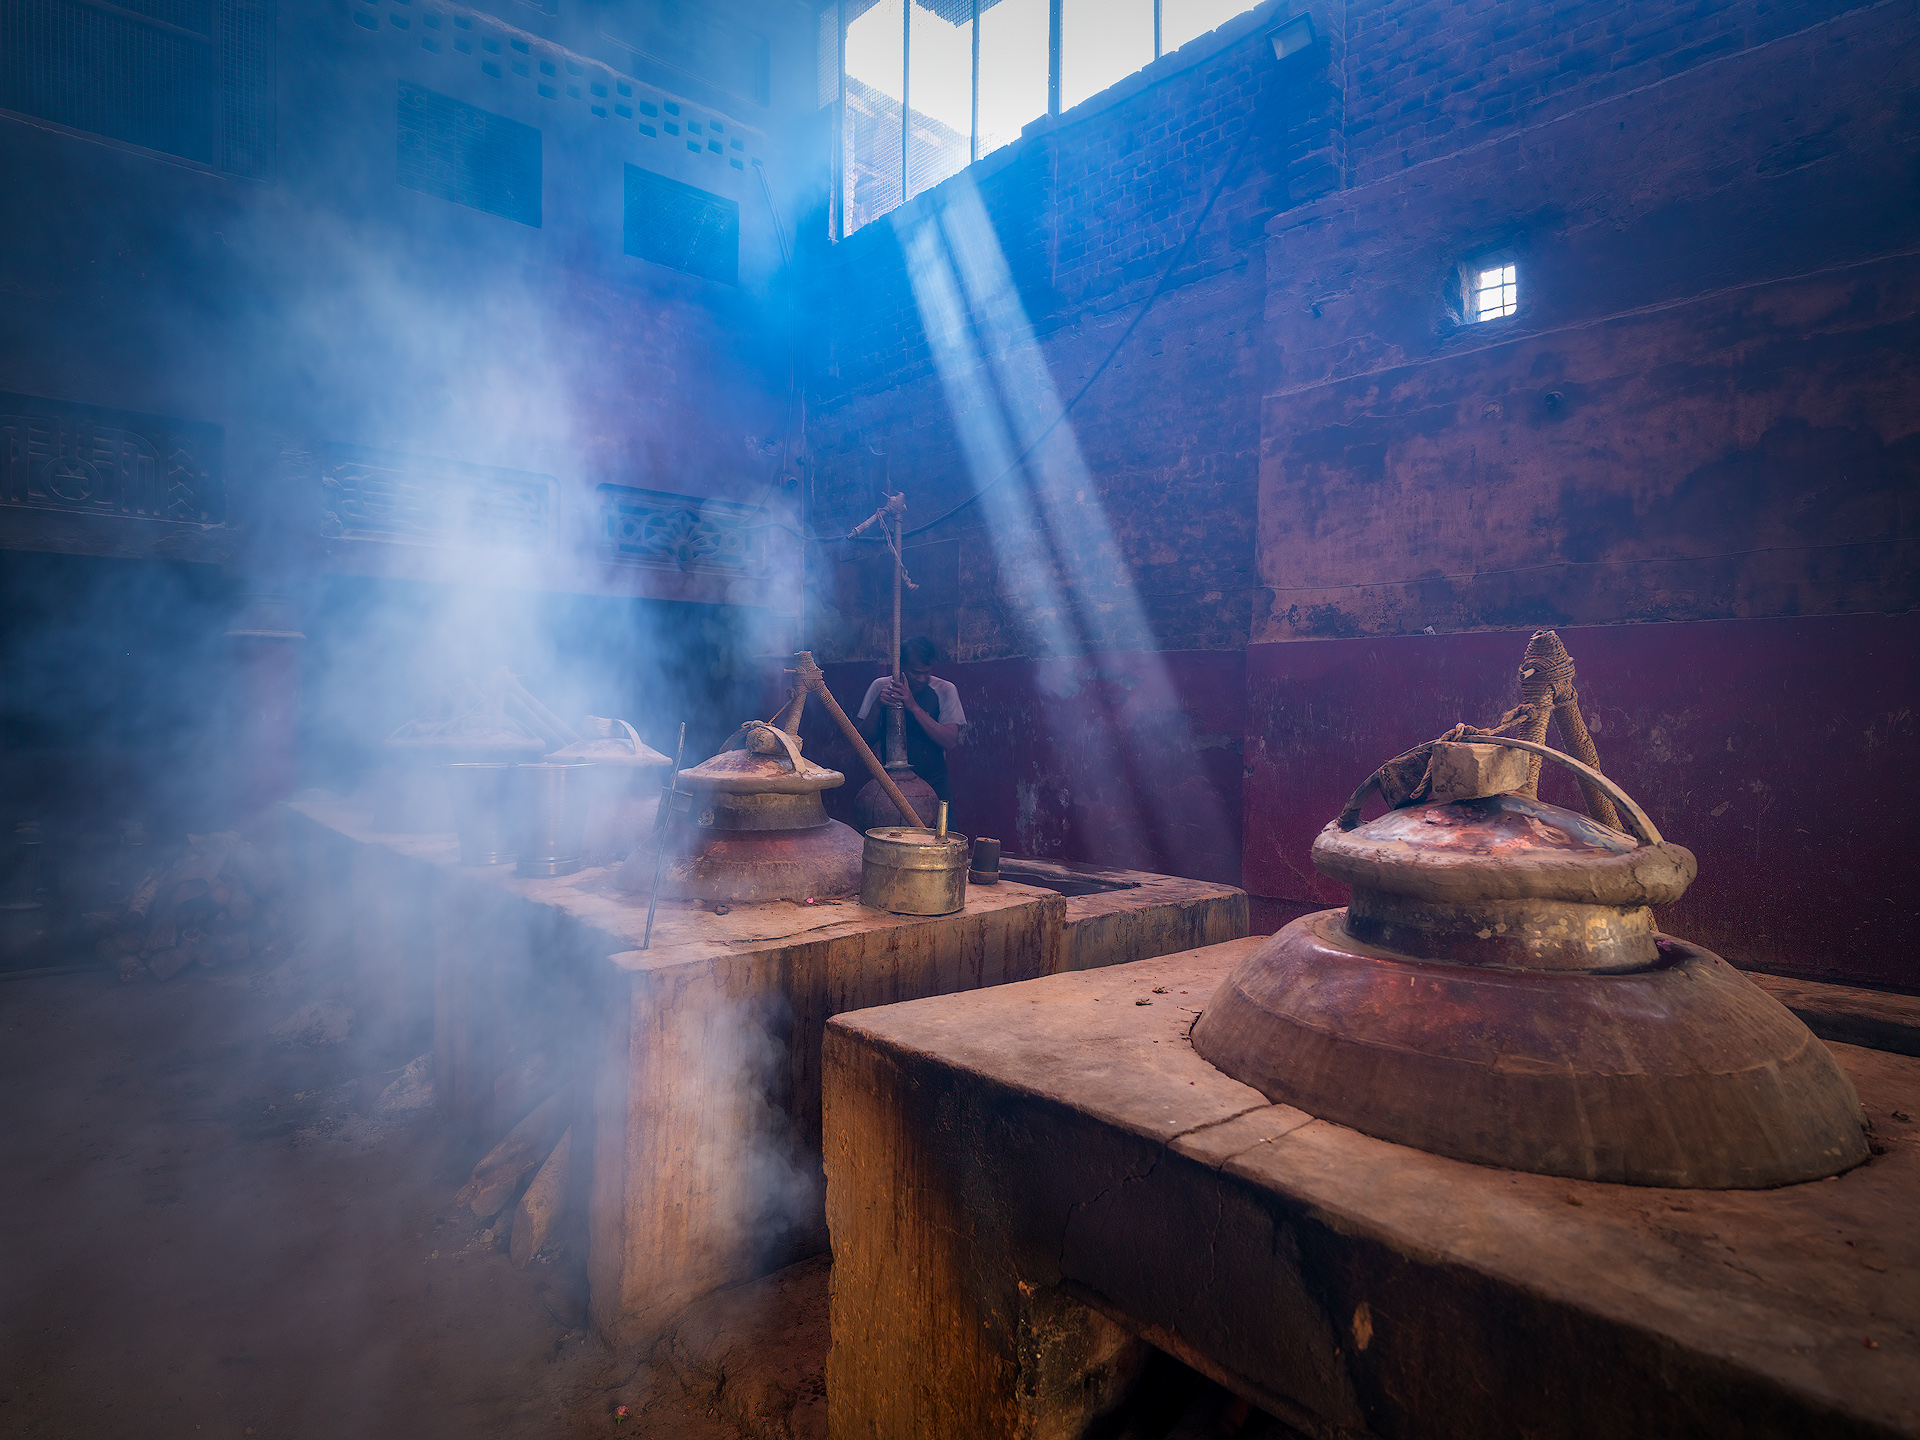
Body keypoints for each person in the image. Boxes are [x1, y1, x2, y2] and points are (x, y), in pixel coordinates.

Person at [856, 636, 966, 807]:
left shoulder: (945, 689)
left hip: (935, 783)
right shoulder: (881, 687)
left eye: (927, 672)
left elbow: (950, 741)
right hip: (892, 786)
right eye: (915, 672)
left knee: (942, 833)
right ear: (900, 666)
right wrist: (877, 705)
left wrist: (913, 707)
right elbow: (862, 741)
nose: (921, 679)